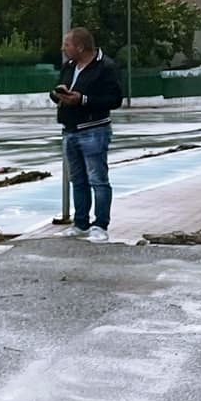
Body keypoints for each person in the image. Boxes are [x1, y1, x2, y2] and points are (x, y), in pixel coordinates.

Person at [53, 25, 123, 241]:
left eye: (67, 44)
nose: (64, 48)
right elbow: (58, 88)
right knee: (78, 180)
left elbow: (115, 99)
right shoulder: (70, 65)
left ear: (80, 46)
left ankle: (100, 225)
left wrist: (82, 100)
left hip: (94, 130)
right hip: (70, 130)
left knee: (98, 179)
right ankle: (80, 223)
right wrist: (58, 96)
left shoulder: (105, 67)